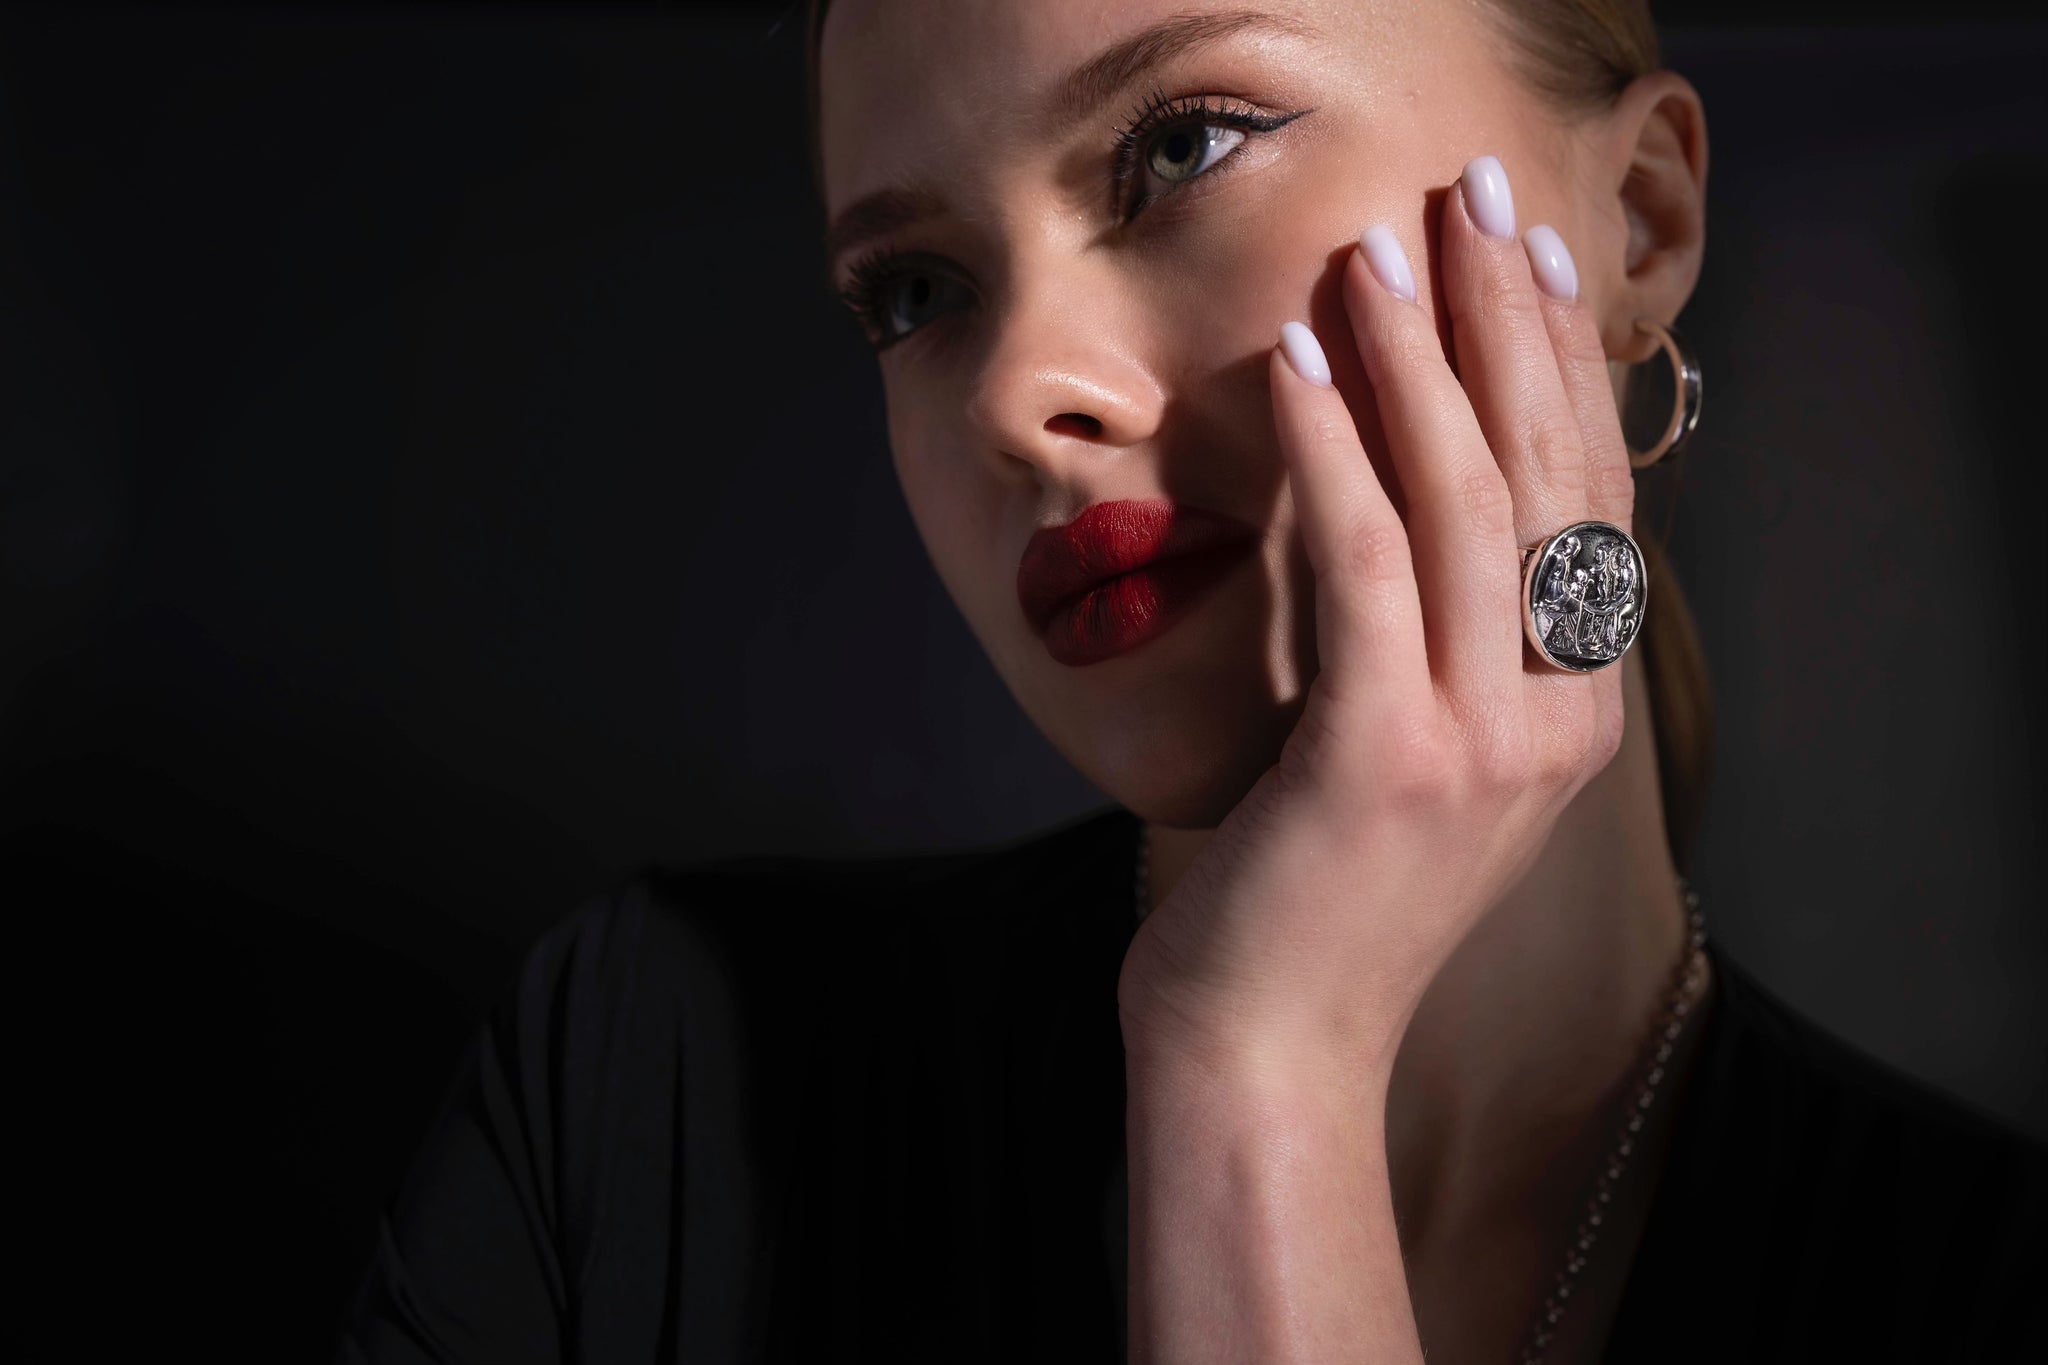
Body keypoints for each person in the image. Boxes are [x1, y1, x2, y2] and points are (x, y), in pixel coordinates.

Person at [334, 1, 2048, 1360]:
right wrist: (1252, 1049)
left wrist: (1265, 1064)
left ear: (1640, 222)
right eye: (915, 291)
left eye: (1183, 145)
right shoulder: (640, 1088)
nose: (1015, 394)